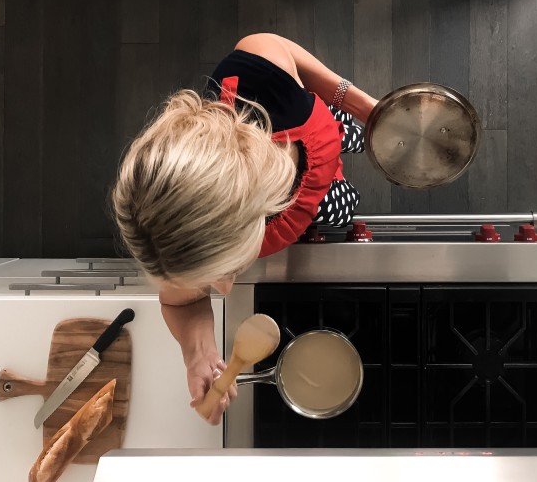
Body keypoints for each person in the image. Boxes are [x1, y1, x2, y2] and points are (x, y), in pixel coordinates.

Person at [111, 33, 378, 425]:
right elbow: (180, 300)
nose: (224, 289)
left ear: (245, 208)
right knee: (342, 207)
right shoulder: (174, 245)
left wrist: (370, 112)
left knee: (358, 136)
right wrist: (197, 354)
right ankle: (341, 196)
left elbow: (287, 53)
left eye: (228, 267)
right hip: (307, 202)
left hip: (316, 133)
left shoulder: (257, 79)